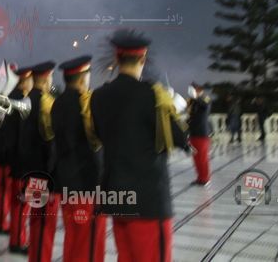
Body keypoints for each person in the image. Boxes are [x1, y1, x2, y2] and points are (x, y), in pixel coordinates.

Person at [90, 30, 191, 262]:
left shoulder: (98, 96)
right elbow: (180, 138)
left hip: (117, 196)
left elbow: (98, 135)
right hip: (148, 201)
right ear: (143, 59)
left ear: (117, 59)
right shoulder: (154, 95)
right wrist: (175, 108)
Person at [51, 56, 106, 262]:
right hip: (87, 184)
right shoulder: (87, 104)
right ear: (83, 78)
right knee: (89, 242)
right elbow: (96, 148)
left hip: (66, 183)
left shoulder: (56, 104)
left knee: (73, 237)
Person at [18, 61, 58, 262]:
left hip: (30, 170)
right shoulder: (45, 103)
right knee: (44, 223)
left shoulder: (27, 100)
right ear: (46, 78)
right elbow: (50, 143)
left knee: (36, 220)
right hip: (44, 173)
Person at [7, 67, 34, 254]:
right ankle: (18, 241)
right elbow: (22, 138)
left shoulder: (12, 99)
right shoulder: (21, 102)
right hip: (21, 164)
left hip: (15, 162)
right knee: (21, 206)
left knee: (20, 205)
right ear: (24, 81)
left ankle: (17, 239)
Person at [187, 82, 212, 186]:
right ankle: (200, 178)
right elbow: (191, 115)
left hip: (202, 134)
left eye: (193, 89)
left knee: (202, 158)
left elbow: (205, 105)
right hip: (193, 133)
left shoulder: (205, 98)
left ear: (198, 90)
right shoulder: (192, 101)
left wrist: (196, 97)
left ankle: (205, 179)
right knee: (196, 158)